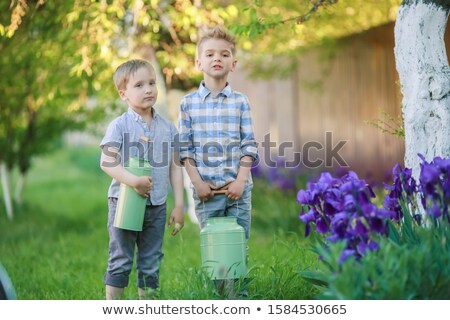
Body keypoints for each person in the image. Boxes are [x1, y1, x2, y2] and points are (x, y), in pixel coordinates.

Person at [100, 59, 184, 300]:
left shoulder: (167, 128)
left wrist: (179, 204)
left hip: (156, 206)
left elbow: (175, 167)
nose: (148, 89)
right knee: (121, 259)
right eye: (139, 85)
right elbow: (107, 162)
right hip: (125, 203)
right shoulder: (119, 126)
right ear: (123, 93)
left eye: (151, 83)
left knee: (150, 261)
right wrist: (132, 181)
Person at [178, 25, 258, 275]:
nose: (217, 59)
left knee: (237, 246)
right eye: (210, 54)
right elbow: (185, 149)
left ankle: (239, 298)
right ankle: (218, 297)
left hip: (237, 191)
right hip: (207, 194)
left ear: (233, 63)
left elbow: (248, 144)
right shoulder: (188, 103)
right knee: (214, 250)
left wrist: (241, 181)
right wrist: (197, 183)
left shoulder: (240, 101)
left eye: (224, 54)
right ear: (198, 62)